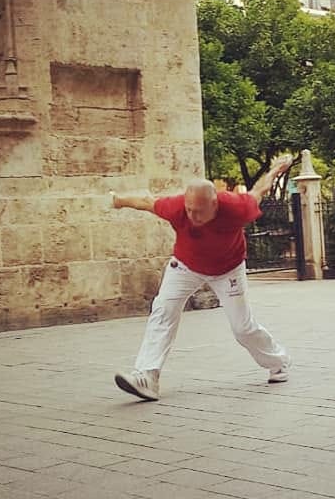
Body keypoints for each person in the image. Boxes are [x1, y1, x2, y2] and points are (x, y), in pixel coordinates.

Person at [109, 154, 294, 401]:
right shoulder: (176, 208)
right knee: (163, 310)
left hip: (229, 268)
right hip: (185, 266)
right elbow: (146, 201)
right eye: (189, 210)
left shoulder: (237, 207)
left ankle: (278, 361)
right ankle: (146, 376)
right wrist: (117, 200)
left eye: (199, 212)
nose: (193, 217)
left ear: (215, 205)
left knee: (242, 328)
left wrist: (275, 170)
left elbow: (259, 189)